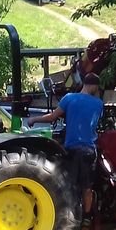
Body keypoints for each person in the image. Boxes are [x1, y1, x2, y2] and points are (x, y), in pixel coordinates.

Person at [30, 73, 104, 215]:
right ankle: (87, 217)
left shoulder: (69, 98)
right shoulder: (98, 104)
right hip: (89, 150)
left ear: (83, 83)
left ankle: (67, 215)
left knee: (68, 185)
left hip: (72, 149)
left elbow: (52, 117)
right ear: (95, 86)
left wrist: (34, 120)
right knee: (87, 187)